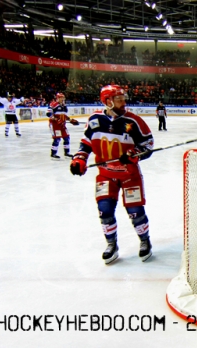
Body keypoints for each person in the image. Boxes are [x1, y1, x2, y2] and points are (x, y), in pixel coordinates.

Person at [69, 85, 155, 265]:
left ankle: (145, 240)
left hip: (129, 175)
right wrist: (80, 160)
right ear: (107, 101)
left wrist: (133, 155)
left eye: (124, 98)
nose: (124, 102)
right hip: (106, 176)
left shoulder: (134, 121)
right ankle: (111, 244)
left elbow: (148, 145)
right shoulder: (95, 120)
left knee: (135, 211)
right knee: (105, 210)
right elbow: (86, 144)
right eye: (119, 99)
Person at [47, 93, 78, 159]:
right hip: (55, 125)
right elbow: (49, 114)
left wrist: (71, 120)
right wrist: (56, 119)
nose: (63, 99)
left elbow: (64, 116)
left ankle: (66, 152)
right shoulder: (54, 104)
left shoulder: (64, 106)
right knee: (57, 139)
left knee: (66, 137)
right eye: (61, 98)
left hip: (62, 125)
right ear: (58, 98)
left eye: (63, 98)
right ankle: (53, 153)